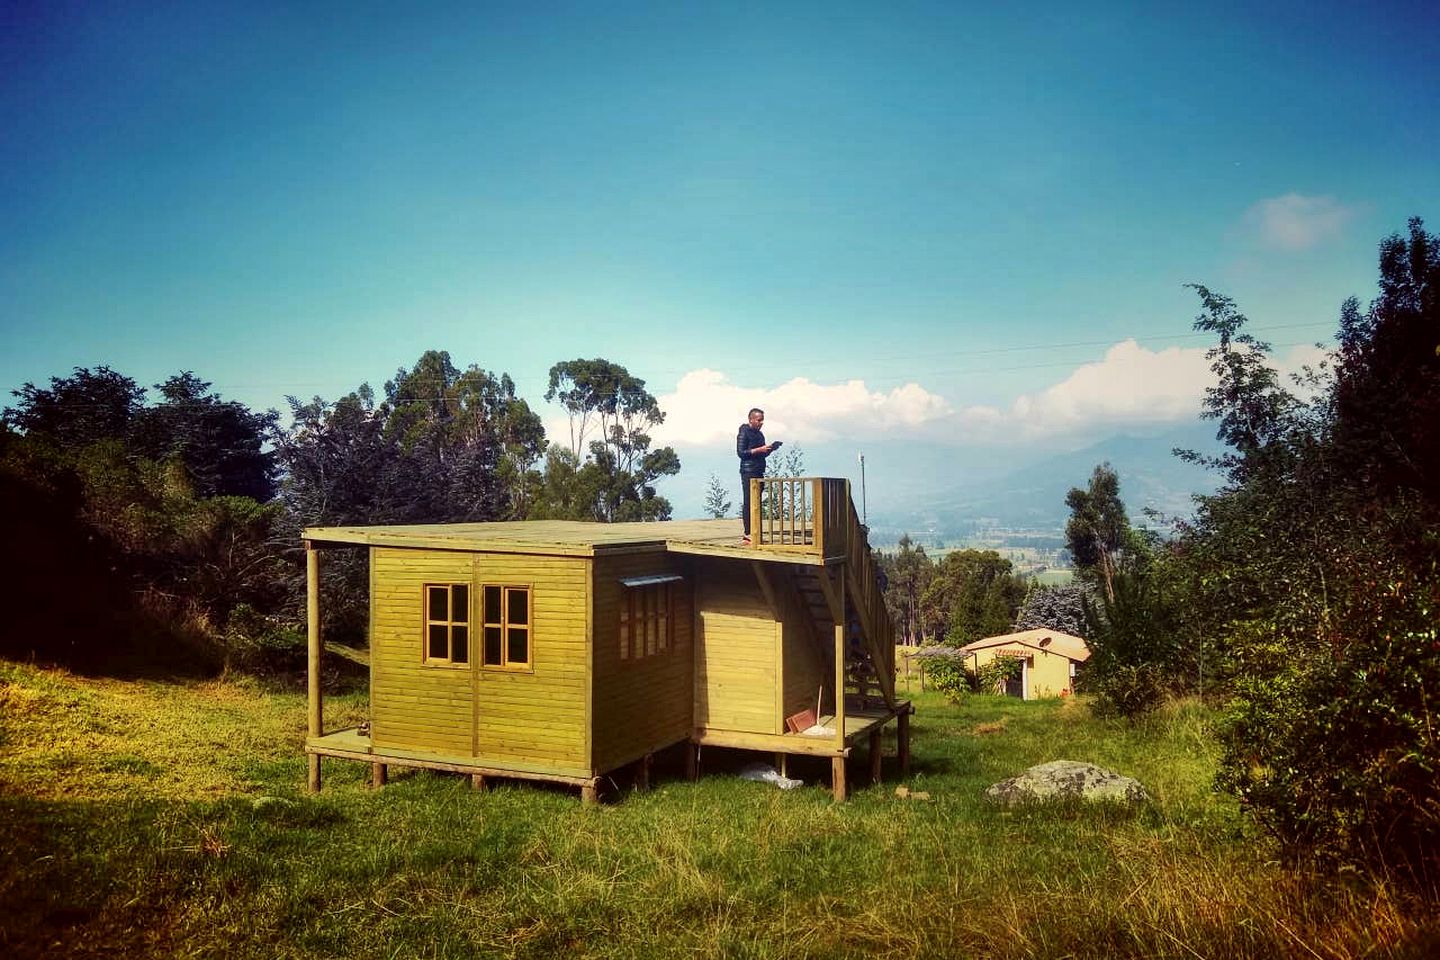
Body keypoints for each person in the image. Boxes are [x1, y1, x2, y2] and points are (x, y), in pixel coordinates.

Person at [736, 407, 776, 543]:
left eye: (762, 420)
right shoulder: (743, 432)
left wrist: (769, 449)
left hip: (759, 470)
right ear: (751, 419)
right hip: (748, 471)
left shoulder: (760, 435)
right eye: (759, 420)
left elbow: (762, 453)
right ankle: (747, 534)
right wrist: (759, 449)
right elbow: (741, 453)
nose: (761, 422)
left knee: (757, 502)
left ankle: (755, 532)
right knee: (749, 501)